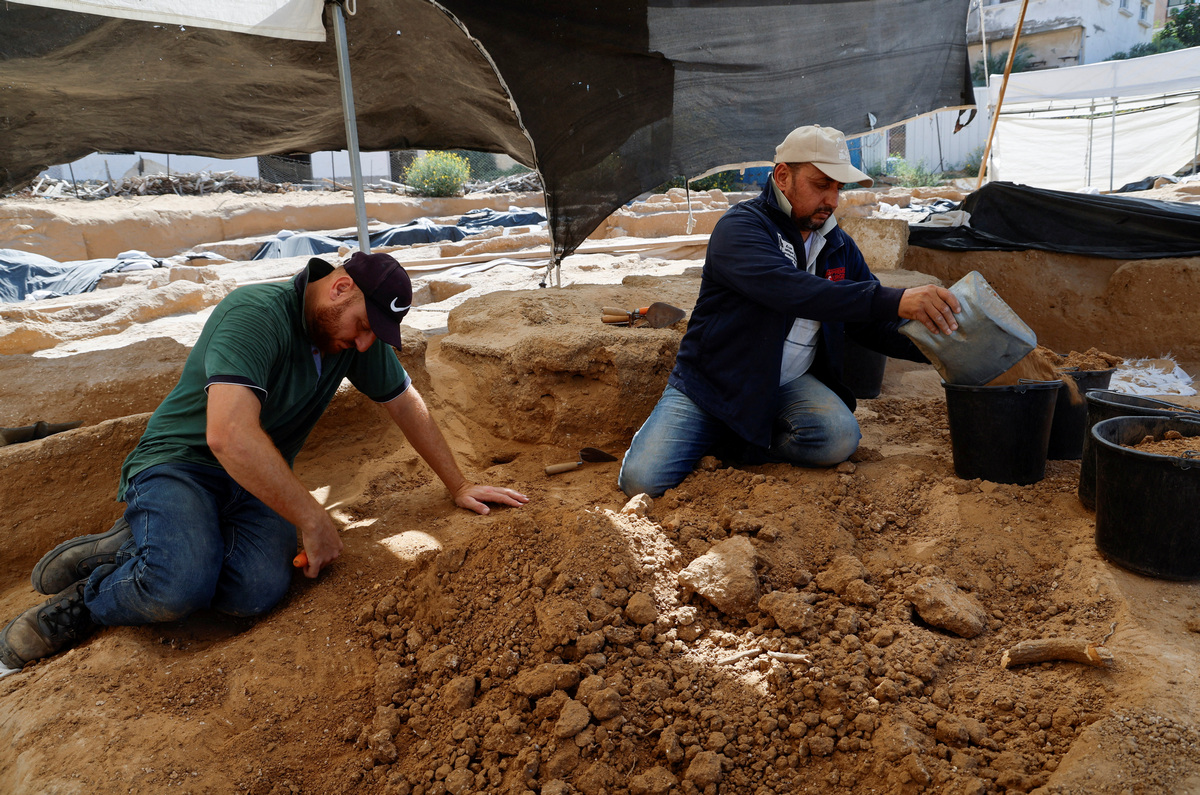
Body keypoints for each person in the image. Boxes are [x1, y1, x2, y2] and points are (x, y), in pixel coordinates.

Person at [0, 252, 528, 670]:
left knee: (255, 592)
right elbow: (228, 437)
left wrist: (457, 484)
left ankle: (147, 544)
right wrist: (312, 516)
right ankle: (84, 602)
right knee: (177, 586)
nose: (366, 344)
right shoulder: (254, 314)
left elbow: (404, 403)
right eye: (364, 326)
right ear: (340, 287)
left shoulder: (348, 336)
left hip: (253, 479)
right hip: (182, 464)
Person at [619, 125, 960, 498]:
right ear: (783, 176)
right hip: (716, 384)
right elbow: (792, 291)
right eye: (820, 185)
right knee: (642, 481)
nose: (831, 199)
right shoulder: (742, 227)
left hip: (789, 383)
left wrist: (942, 347)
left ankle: (738, 446)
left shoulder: (837, 245)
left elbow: (866, 322)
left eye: (838, 189)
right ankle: (724, 429)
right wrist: (895, 298)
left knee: (838, 439)